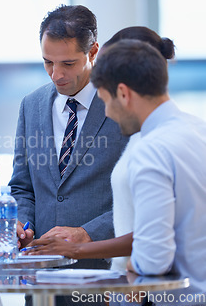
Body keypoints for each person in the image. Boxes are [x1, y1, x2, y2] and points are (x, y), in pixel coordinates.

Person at [26, 27, 176, 272]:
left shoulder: (152, 144)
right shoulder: (174, 135)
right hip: (59, 272)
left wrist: (81, 244)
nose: (56, 74)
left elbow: (153, 238)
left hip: (134, 280)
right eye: (48, 62)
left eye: (105, 99)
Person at [9, 4, 128, 305]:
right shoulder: (31, 105)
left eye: (68, 64)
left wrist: (88, 234)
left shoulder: (122, 107)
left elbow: (139, 200)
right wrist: (24, 223)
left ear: (94, 52)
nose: (56, 74)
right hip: (41, 280)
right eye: (47, 62)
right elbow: (23, 186)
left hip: (104, 278)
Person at [92, 39, 206, 304]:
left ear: (123, 93)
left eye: (105, 101)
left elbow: (154, 258)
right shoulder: (200, 130)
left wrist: (135, 262)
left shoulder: (150, 149)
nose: (107, 113)